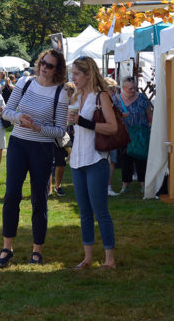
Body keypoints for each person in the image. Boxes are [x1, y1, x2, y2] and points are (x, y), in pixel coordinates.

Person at [0, 48, 69, 267]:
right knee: (11, 196)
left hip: (42, 148)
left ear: (58, 69)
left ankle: (37, 250)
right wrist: (19, 117)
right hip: (18, 144)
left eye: (50, 65)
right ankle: (7, 248)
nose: (44, 68)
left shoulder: (60, 92)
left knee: (39, 199)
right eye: (43, 63)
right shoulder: (25, 83)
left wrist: (38, 128)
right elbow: (6, 113)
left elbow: (60, 131)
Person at [67, 56, 119, 269]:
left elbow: (113, 127)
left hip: (96, 159)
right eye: (72, 74)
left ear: (88, 74)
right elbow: (74, 126)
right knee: (84, 212)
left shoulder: (101, 96)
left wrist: (83, 122)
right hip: (77, 161)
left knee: (100, 210)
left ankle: (110, 260)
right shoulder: (76, 96)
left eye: (77, 74)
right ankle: (88, 257)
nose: (73, 78)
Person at [117, 76, 153, 195]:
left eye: (134, 88)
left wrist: (149, 124)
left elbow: (149, 113)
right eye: (130, 89)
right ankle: (125, 185)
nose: (133, 91)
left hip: (140, 133)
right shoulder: (116, 99)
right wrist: (121, 117)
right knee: (125, 159)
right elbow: (111, 116)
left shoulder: (142, 97)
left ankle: (143, 184)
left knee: (141, 158)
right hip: (124, 134)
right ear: (123, 88)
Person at [49, 82, 77, 197]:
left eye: (69, 89)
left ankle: (58, 186)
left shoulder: (75, 103)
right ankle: (48, 189)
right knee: (49, 163)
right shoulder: (55, 101)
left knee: (61, 163)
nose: (66, 91)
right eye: (65, 89)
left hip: (68, 135)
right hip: (53, 134)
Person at [103, 77, 122, 196]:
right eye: (112, 89)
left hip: (111, 134)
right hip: (104, 134)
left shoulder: (112, 100)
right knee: (105, 161)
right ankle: (105, 188)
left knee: (111, 161)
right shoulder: (102, 100)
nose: (114, 92)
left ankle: (108, 187)